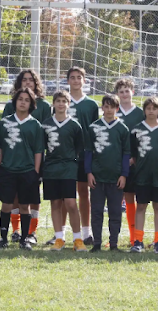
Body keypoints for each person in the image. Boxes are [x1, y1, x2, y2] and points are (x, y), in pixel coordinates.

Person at [46, 67, 99, 246]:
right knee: (62, 197)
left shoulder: (91, 104)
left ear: (84, 80)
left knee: (83, 193)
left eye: (79, 78)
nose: (76, 81)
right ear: (67, 80)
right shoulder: (60, 100)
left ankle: (85, 232)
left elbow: (93, 130)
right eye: (72, 78)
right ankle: (59, 234)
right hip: (63, 157)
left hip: (83, 154)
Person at [2, 69, 51, 245]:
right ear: (19, 83)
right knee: (14, 195)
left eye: (31, 80)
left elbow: (47, 132)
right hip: (14, 158)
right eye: (24, 80)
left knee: (32, 196)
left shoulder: (44, 106)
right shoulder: (11, 106)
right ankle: (15, 230)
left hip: (35, 157)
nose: (28, 82)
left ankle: (32, 231)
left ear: (36, 83)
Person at [0, 87, 44, 250]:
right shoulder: (5, 122)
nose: (23, 102)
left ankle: (24, 239)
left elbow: (38, 150)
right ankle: (3, 238)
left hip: (27, 171)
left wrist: (35, 171)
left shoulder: (35, 125)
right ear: (15, 102)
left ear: (31, 104)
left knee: (24, 206)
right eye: (20, 99)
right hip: (7, 169)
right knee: (6, 204)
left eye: (27, 100)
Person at [42, 91, 87, 252]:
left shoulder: (75, 125)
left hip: (68, 167)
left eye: (64, 101)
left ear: (68, 104)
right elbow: (42, 147)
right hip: (51, 168)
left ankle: (78, 239)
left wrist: (72, 163)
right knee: (55, 203)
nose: (61, 104)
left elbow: (79, 148)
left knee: (70, 203)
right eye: (58, 101)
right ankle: (59, 238)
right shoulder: (46, 124)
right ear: (53, 104)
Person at [86, 94, 130, 252]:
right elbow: (88, 152)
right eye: (106, 106)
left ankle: (114, 244)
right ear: (102, 108)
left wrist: (124, 174)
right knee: (96, 211)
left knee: (115, 212)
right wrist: (89, 172)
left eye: (112, 106)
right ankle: (97, 242)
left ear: (117, 109)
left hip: (115, 178)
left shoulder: (122, 129)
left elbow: (126, 154)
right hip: (97, 177)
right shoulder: (94, 127)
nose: (109, 109)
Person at [130, 97, 158, 254]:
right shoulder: (136, 130)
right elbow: (132, 155)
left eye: (154, 108)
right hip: (141, 175)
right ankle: (138, 240)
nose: (151, 111)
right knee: (141, 206)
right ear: (144, 110)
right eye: (148, 108)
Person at [115, 78, 144, 246]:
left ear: (132, 92)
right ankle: (114, 237)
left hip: (134, 163)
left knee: (130, 198)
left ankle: (134, 236)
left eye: (127, 91)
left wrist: (135, 157)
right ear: (117, 94)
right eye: (121, 91)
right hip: (114, 163)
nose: (125, 94)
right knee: (115, 200)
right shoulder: (113, 111)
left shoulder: (140, 113)